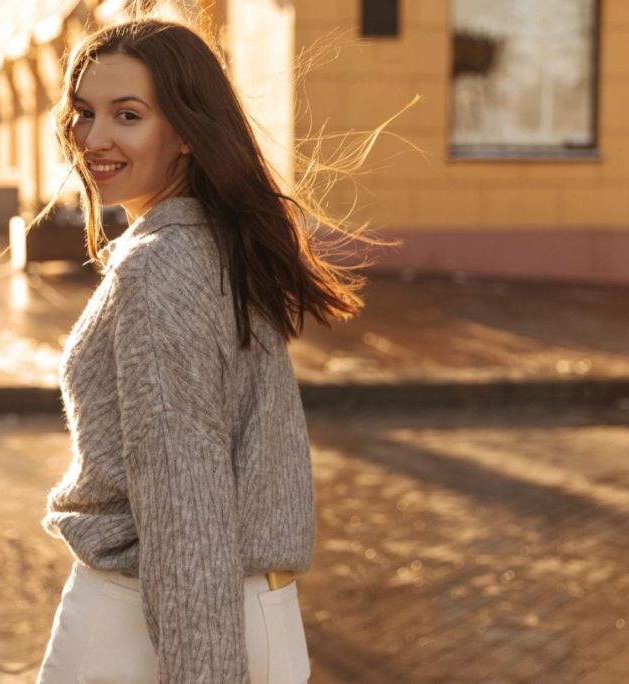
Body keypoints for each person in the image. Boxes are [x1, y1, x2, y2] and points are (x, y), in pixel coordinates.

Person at [35, 18, 388, 684]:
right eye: (84, 112)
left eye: (127, 115)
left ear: (188, 133)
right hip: (252, 615)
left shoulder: (161, 267)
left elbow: (184, 500)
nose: (94, 137)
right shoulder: (215, 247)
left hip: (140, 623)